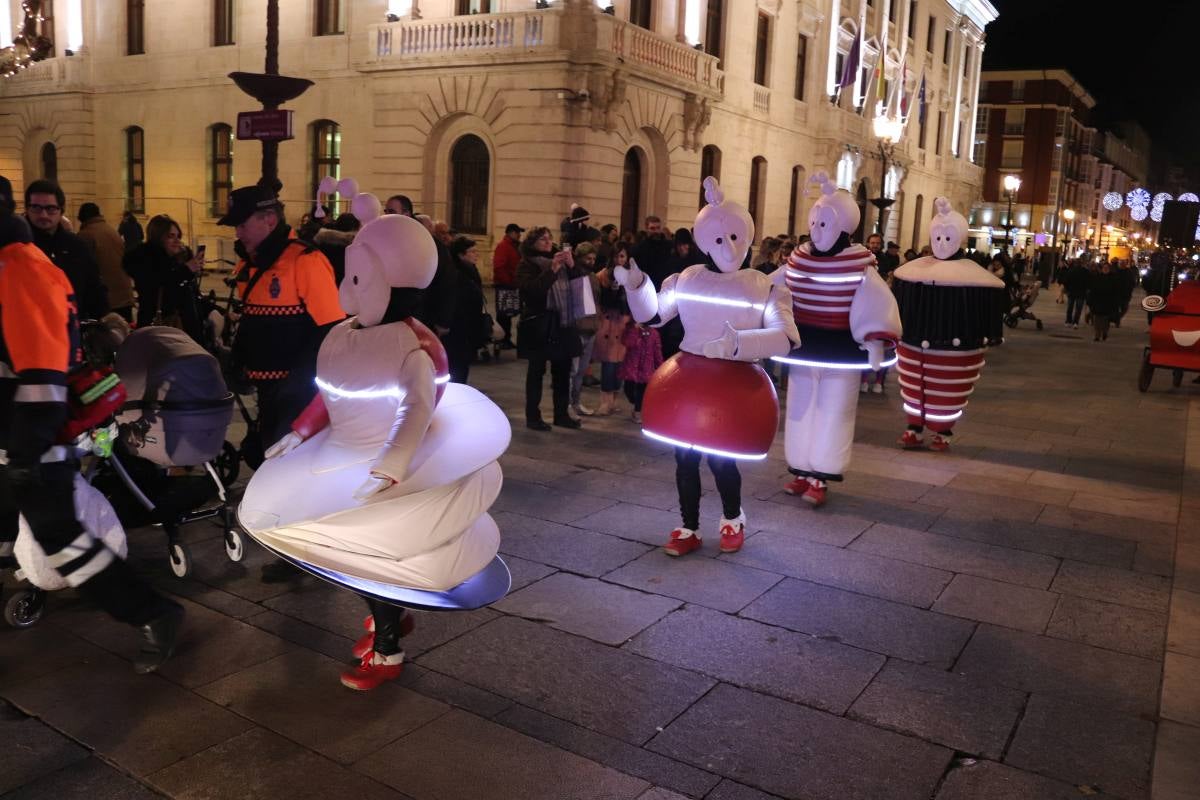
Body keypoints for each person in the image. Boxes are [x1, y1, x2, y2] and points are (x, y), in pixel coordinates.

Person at [239, 211, 509, 691]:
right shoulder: (344, 336)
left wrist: (391, 466)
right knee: (352, 554)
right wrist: (300, 432)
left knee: (372, 557)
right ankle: (390, 621)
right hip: (340, 456)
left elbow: (416, 410)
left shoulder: (411, 348)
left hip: (383, 467)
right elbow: (332, 392)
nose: (349, 288)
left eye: (358, 278)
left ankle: (387, 649)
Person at [0, 175, 183, 673]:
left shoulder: (20, 267)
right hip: (24, 424)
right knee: (61, 537)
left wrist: (30, 447)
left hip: (34, 429)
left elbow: (41, 367)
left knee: (65, 539)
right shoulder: (18, 261)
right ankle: (153, 613)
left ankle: (154, 613)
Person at [615, 178, 798, 556]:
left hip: (734, 386)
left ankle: (732, 517)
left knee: (722, 460)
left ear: (747, 236)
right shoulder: (688, 278)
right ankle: (688, 526)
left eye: (734, 237)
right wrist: (637, 286)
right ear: (703, 241)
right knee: (685, 458)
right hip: (688, 378)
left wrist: (741, 344)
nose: (728, 247)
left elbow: (785, 336)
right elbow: (654, 315)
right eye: (717, 239)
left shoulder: (763, 286)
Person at [769, 173, 900, 508]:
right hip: (803, 343)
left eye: (824, 223)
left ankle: (821, 475)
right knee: (799, 407)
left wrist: (874, 338)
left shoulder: (859, 264)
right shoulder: (798, 258)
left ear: (844, 227)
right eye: (814, 222)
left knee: (835, 410)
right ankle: (800, 468)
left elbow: (876, 299)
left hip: (842, 347)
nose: (816, 230)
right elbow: (769, 284)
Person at [221, 185, 344, 458]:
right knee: (267, 452)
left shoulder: (305, 260)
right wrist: (239, 359)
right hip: (266, 388)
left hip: (297, 392)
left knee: (286, 459)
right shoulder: (251, 263)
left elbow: (332, 329)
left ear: (269, 219)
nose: (238, 233)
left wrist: (297, 381)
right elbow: (253, 317)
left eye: (242, 224)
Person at [893, 198, 1006, 451]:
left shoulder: (976, 278)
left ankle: (942, 430)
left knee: (946, 387)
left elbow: (989, 306)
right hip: (913, 341)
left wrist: (989, 333)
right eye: (938, 237)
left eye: (947, 237)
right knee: (913, 386)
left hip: (955, 345)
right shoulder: (911, 272)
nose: (942, 243)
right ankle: (914, 426)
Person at [517, 227, 584, 431]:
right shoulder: (527, 264)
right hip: (540, 323)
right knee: (536, 371)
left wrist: (572, 266)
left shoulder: (561, 259)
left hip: (563, 322)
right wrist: (552, 270)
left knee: (562, 370)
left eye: (549, 238)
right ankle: (533, 416)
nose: (548, 242)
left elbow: (580, 286)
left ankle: (561, 414)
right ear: (532, 243)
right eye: (542, 239)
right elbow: (531, 292)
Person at [24, 179, 107, 320]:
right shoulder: (17, 247)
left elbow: (93, 287)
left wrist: (104, 316)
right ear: (27, 209)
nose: (43, 215)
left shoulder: (76, 246)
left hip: (70, 331)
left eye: (50, 209)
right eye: (36, 208)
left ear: (61, 210)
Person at [123, 215, 205, 342]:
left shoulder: (179, 260)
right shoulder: (145, 260)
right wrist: (186, 270)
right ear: (158, 237)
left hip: (182, 332)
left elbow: (191, 296)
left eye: (178, 236)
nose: (176, 241)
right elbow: (158, 286)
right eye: (170, 236)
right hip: (159, 331)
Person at [77, 202, 136, 323]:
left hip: (107, 299)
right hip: (124, 295)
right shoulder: (111, 230)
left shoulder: (86, 235)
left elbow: (84, 269)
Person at [594, 243, 632, 415]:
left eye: (622, 256)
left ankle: (614, 400)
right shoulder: (603, 275)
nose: (619, 259)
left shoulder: (631, 276)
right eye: (616, 256)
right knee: (608, 363)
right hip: (608, 323)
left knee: (620, 364)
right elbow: (599, 299)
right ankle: (605, 401)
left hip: (623, 323)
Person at [445, 235, 488, 383]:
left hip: (468, 330)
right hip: (458, 331)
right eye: (472, 251)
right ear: (461, 255)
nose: (476, 254)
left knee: (462, 370)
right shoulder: (456, 274)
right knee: (457, 371)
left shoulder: (470, 270)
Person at [568, 242, 602, 417]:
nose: (591, 261)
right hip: (577, 327)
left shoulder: (594, 277)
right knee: (572, 370)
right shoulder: (573, 275)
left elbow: (596, 301)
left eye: (593, 258)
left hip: (591, 327)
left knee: (581, 370)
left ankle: (576, 401)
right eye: (587, 258)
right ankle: (568, 403)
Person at [492, 223, 523, 348]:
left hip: (510, 285)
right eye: (517, 232)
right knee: (503, 314)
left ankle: (506, 338)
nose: (519, 235)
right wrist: (508, 281)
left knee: (508, 313)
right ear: (510, 233)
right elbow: (499, 266)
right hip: (505, 285)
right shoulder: (504, 246)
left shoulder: (514, 246)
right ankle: (502, 339)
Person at [1086, 259, 1120, 342]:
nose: (1105, 269)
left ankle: (1104, 332)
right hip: (1098, 301)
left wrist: (1115, 303)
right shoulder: (1097, 277)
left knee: (1105, 319)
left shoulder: (1113, 278)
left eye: (1107, 268)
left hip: (1108, 302)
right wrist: (1090, 301)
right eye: (1104, 268)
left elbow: (1116, 292)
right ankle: (1097, 335)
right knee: (1097, 319)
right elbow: (1092, 289)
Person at [1062, 258, 1090, 328]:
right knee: (1078, 308)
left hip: (1072, 292)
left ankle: (1068, 321)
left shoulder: (1071, 271)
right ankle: (1075, 322)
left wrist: (1067, 289)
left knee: (1070, 307)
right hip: (1081, 293)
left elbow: (1066, 281)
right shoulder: (1085, 271)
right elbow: (1088, 282)